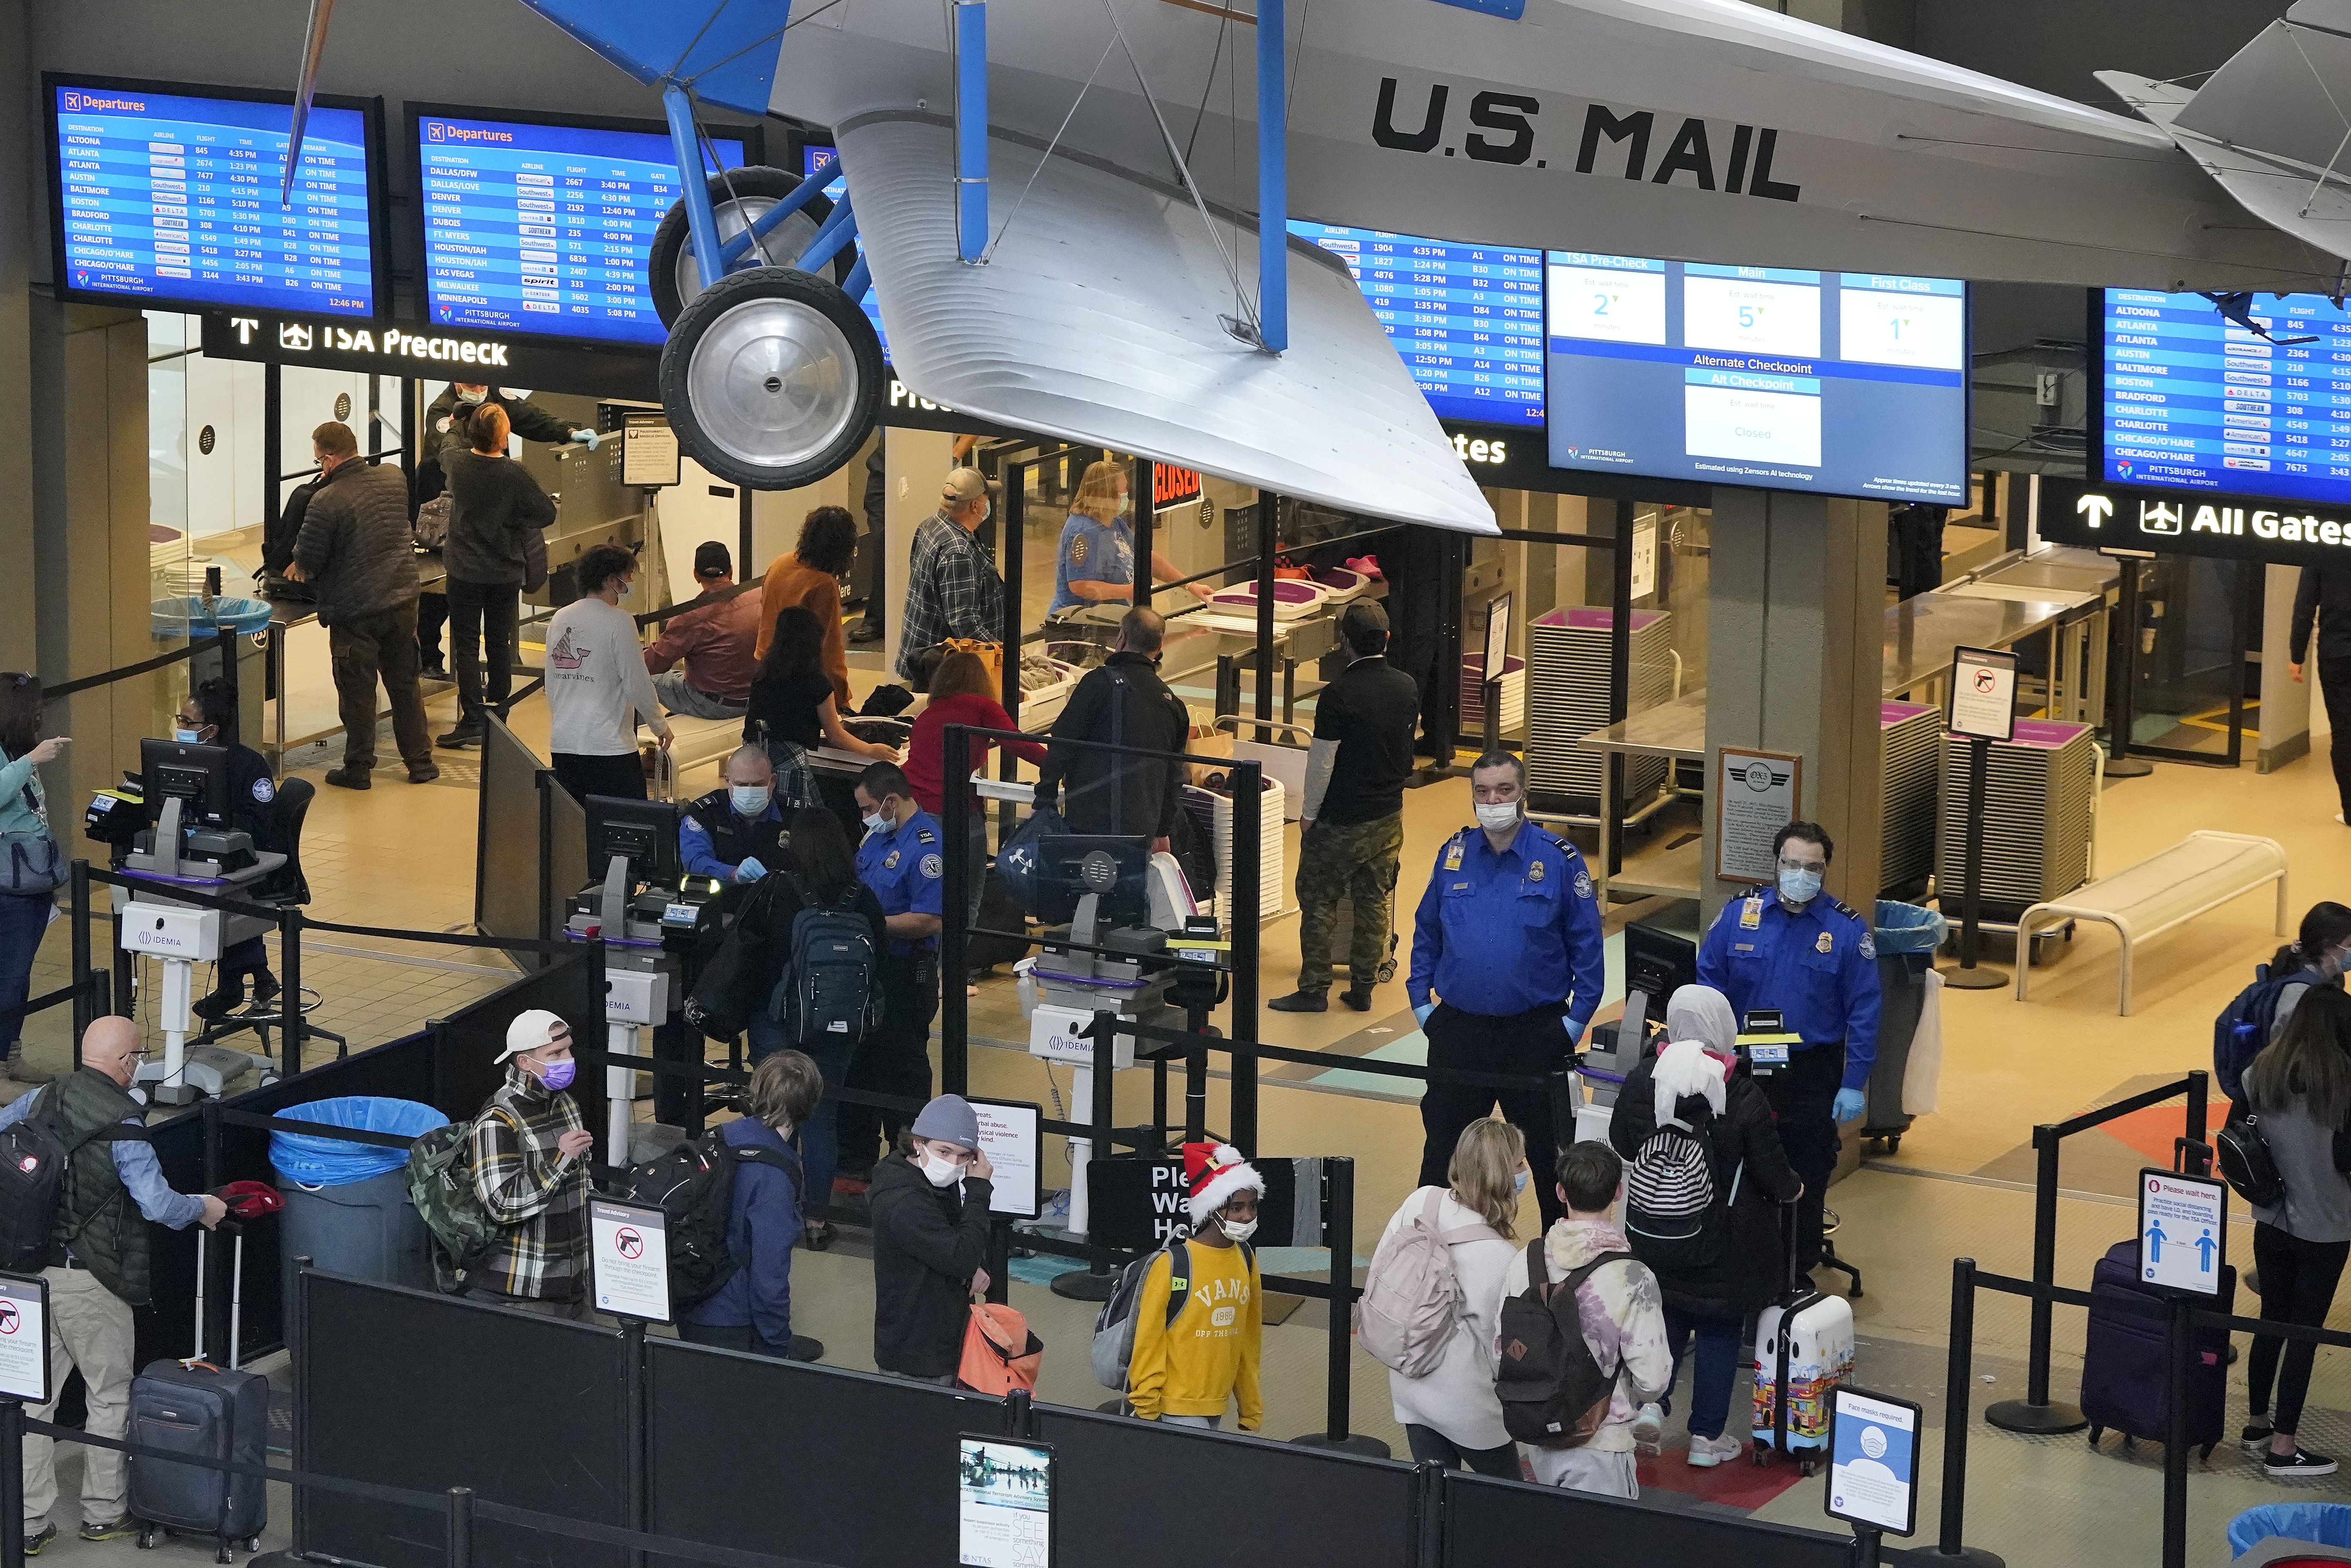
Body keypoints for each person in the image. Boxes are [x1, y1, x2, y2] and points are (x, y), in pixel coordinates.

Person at [3, 1016, 225, 1552]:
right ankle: (103, 1513)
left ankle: (27, 1522)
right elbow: (156, 1204)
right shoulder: (125, 1123)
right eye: (139, 1055)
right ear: (126, 1062)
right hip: (91, 1281)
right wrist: (203, 1208)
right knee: (109, 1394)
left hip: (25, 1275)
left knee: (31, 1401)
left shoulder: (42, 1097)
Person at [1406, 752, 1605, 1229]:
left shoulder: (1558, 860)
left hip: (1535, 1034)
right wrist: (1422, 1007)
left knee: (1551, 1158)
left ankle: (1564, 1261)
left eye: (1503, 790)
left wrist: (1572, 1024)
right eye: (1482, 791)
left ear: (1522, 794)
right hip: (1460, 1031)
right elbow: (1426, 932)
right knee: (1442, 1155)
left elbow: (1587, 947)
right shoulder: (1452, 855)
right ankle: (1429, 1252)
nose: (1492, 800)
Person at [1606, 984, 1801, 1467]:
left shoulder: (1642, 1080)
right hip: (1725, 1241)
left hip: (1655, 1231)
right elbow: (1772, 1173)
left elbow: (1621, 1144)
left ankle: (1652, 1404)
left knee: (1665, 1318)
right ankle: (1705, 1440)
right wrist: (1794, 1189)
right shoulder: (1738, 1092)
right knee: (1717, 1330)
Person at [1694, 820, 1881, 1273]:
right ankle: (1739, 1265)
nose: (1800, 873)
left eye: (1811, 867)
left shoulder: (1845, 930)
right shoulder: (1741, 914)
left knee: (1805, 1170)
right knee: (1735, 1168)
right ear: (1776, 864)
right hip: (1742, 1066)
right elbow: (1707, 983)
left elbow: (1865, 1012)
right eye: (1791, 864)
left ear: (1824, 870)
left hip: (1810, 1072)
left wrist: (1853, 1081)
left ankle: (1797, 1269)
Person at [1496, 1141, 1672, 1500]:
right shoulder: (1633, 1277)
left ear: (1561, 1192)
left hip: (1538, 1434)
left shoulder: (1524, 1261)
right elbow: (1653, 1381)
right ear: (1619, 1192)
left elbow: (1499, 1351)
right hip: (1602, 1440)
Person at [747, 809, 888, 1241]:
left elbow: (752, 952)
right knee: (822, 1121)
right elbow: (878, 955)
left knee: (777, 1116)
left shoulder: (777, 890)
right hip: (838, 1026)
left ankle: (776, 1211)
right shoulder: (862, 898)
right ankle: (816, 1219)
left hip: (779, 1022)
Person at [1273, 600, 1420, 1013]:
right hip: (1389, 814)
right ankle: (1362, 987)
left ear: (1344, 643)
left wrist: (1308, 815)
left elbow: (1322, 762)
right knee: (1373, 899)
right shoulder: (1406, 686)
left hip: (1339, 818)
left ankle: (1313, 988)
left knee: (1318, 900)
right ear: (1386, 639)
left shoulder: (1337, 694)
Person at [2240, 985, 2351, 1478]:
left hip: (2271, 1220)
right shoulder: (2342, 1085)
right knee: (2303, 1333)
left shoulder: (2258, 1072)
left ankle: (2256, 1424)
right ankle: (2284, 1448)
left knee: (2270, 1323)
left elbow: (2239, 1137)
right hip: (2326, 1227)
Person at [290, 420, 438, 790]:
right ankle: (421, 763)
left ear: (327, 459)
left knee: (358, 692)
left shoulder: (325, 501)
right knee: (405, 684)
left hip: (355, 612)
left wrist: (296, 562)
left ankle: (358, 769)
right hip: (402, 600)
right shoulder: (393, 477)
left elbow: (309, 559)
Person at [1379, 1119, 1525, 1475]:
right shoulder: (1499, 1256)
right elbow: (1501, 1350)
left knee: (1433, 1501)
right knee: (1511, 1502)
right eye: (1520, 1162)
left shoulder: (1421, 1199)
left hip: (1408, 1380)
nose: (1526, 1170)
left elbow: (1382, 1268)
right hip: (1468, 1406)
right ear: (1503, 1174)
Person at [679, 1050, 826, 1361]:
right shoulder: (776, 1176)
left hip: (690, 1297)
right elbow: (769, 1276)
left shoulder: (721, 1135)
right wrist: (778, 1345)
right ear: (811, 1105)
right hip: (731, 1320)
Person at [839, 763, 946, 1182]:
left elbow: (929, 920)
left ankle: (907, 1167)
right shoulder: (875, 838)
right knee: (860, 1064)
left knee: (902, 1074)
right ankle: (853, 1164)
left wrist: (870, 923)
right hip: (868, 969)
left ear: (890, 801)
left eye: (867, 807)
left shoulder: (926, 847)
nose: (863, 815)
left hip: (904, 972)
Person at [434, 403, 556, 749]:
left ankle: (471, 718)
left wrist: (459, 419)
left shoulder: (457, 465)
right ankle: (500, 714)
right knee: (500, 642)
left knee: (467, 646)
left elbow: (445, 445)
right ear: (503, 439)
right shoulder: (513, 474)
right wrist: (513, 521)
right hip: (504, 572)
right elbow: (546, 513)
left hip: (464, 571)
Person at [177, 680, 296, 1026]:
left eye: (188, 722)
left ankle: (233, 985)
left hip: (255, 858)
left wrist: (221, 824)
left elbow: (260, 823)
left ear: (211, 729)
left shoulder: (249, 765)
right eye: (179, 719)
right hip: (209, 852)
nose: (180, 728)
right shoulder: (186, 759)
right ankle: (257, 973)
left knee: (223, 892)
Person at [904, 650, 1048, 926]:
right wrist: (1058, 764)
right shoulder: (983, 707)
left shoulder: (927, 714)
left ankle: (929, 964)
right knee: (968, 899)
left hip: (918, 815)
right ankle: (954, 966)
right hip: (958, 811)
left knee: (927, 901)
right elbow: (1018, 744)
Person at [1128, 1142, 1265, 1430]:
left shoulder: (1246, 1258)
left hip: (1217, 1399)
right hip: (1174, 1403)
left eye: (1252, 1206)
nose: (1247, 1216)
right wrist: (1146, 1406)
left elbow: (1248, 1339)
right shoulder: (1172, 1264)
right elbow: (1148, 1341)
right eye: (1237, 1207)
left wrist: (1250, 1406)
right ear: (1212, 1208)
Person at [470, 1009, 595, 1319]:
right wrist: (560, 1160)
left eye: (568, 1049)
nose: (568, 1059)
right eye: (555, 1053)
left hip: (574, 1287)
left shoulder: (565, 1103)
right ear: (524, 1063)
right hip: (520, 1294)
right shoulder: (497, 1119)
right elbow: (502, 1203)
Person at [1034, 608, 1192, 844]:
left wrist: (1045, 800)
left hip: (1089, 822)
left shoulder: (1097, 683)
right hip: (1141, 829)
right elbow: (1174, 775)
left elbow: (1062, 746)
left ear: (1122, 638)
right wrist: (1163, 829)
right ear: (1159, 649)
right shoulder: (1172, 704)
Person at [868, 1093, 996, 1383]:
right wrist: (978, 1190)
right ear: (918, 1142)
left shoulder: (930, 1178)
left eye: (965, 1156)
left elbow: (955, 1235)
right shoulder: (905, 1203)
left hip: (940, 1334)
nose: (954, 1163)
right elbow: (961, 1257)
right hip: (916, 1355)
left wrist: (979, 1262)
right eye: (944, 1152)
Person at [543, 543, 672, 803]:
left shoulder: (560, 618)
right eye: (627, 576)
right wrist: (660, 726)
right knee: (625, 824)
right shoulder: (620, 622)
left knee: (577, 823)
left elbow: (553, 684)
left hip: (564, 742)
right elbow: (637, 683)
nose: (631, 581)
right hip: (609, 747)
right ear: (611, 580)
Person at [744, 606, 897, 805]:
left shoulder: (763, 674)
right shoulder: (816, 681)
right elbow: (835, 735)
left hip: (754, 756)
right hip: (789, 763)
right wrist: (870, 750)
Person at [0, 675, 65, 1085]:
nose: (41, 714)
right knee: (9, 975)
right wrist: (32, 760)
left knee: (20, 974)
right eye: (35, 707)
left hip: (34, 880)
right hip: (10, 882)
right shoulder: (19, 756)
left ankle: (13, 1057)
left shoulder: (15, 748)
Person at [2220, 902, 2351, 1103]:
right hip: (2286, 1099)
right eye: (2350, 945)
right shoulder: (2300, 992)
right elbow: (2285, 1055)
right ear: (2328, 945)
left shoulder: (2328, 981)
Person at [1046, 460, 1211, 616]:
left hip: (1114, 617)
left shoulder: (1113, 521)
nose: (1127, 495)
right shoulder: (1083, 531)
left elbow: (1145, 558)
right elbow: (1081, 586)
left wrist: (1190, 585)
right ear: (1108, 495)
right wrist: (1133, 590)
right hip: (1082, 622)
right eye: (1123, 491)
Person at [896, 469, 1006, 686]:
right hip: (942, 672)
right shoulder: (958, 552)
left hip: (923, 656)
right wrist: (1002, 651)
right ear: (976, 506)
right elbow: (965, 623)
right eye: (985, 501)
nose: (987, 507)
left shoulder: (929, 526)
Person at [755, 506, 858, 710]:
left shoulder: (781, 563)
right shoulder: (823, 584)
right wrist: (841, 699)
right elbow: (829, 649)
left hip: (764, 667)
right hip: (799, 681)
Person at [645, 541, 762, 722]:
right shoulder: (759, 598)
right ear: (731, 571)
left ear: (696, 575)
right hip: (755, 700)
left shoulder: (691, 618)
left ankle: (640, 743)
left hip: (715, 706)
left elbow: (653, 663)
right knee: (675, 678)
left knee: (640, 681)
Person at [2292, 562, 2351, 825]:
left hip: (2337, 653)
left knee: (2343, 731)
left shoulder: (2323, 544)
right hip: (2336, 651)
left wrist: (2296, 655)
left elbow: (2305, 607)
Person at [681, 745, 789, 888]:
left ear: (772, 781)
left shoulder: (793, 816)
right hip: (719, 902)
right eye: (741, 785)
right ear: (727, 781)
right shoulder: (704, 814)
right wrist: (734, 874)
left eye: (757, 785)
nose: (749, 791)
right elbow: (695, 861)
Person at [423, 382, 589, 459]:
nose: (480, 391)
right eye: (472, 387)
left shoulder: (495, 395)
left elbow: (530, 417)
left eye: (483, 385)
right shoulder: (441, 410)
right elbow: (449, 455)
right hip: (447, 492)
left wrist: (568, 432)